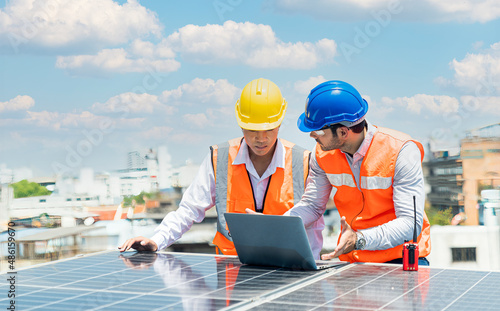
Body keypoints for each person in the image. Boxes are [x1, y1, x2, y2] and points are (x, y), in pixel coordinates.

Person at [119, 78, 324, 259]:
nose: (261, 138)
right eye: (252, 129)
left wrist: (307, 271)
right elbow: (190, 209)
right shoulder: (220, 158)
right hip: (232, 275)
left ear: (280, 122)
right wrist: (157, 240)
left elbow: (313, 221)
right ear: (240, 123)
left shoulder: (304, 160)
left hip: (290, 269)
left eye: (268, 129)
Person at [288, 80, 431, 264]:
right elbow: (312, 206)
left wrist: (359, 239)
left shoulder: (401, 151)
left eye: (318, 131)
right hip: (353, 260)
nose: (312, 135)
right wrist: (276, 226)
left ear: (343, 132)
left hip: (400, 261)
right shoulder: (322, 154)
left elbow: (410, 223)